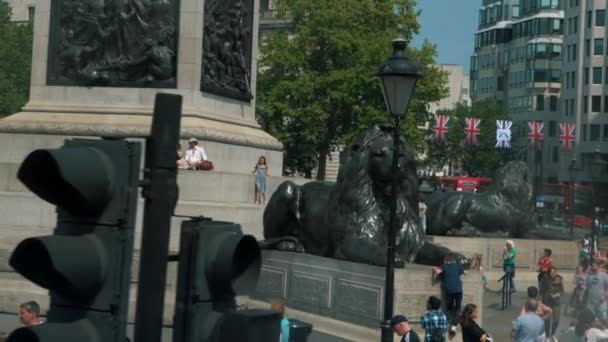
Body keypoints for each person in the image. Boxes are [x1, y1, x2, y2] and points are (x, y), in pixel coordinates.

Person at [432, 254, 467, 338]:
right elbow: (466, 272)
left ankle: (447, 324)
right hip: (458, 290)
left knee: (450, 308)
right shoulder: (458, 265)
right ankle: (454, 326)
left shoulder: (444, 265)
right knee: (458, 308)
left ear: (445, 260)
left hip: (449, 291)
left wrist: (434, 269)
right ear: (453, 260)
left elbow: (438, 272)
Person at [540, 267, 564, 338]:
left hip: (556, 302)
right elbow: (541, 290)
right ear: (549, 273)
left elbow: (562, 291)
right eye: (551, 272)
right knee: (547, 321)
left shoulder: (559, 279)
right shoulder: (545, 279)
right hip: (547, 302)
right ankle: (547, 336)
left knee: (556, 320)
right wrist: (548, 295)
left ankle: (552, 333)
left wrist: (558, 294)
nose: (552, 273)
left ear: (556, 272)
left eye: (554, 272)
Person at [585, 259, 608, 324]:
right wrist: (582, 295)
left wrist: (604, 295)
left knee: (603, 317)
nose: (592, 266)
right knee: (590, 317)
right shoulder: (590, 276)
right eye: (592, 265)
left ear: (598, 266)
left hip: (601, 301)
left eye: (594, 265)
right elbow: (587, 287)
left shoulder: (604, 275)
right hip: (591, 301)